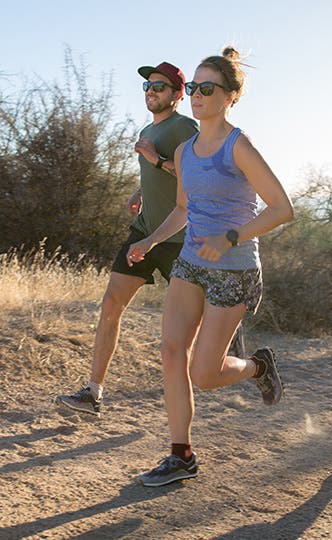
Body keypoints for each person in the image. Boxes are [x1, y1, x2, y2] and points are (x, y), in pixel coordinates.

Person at [126, 46, 294, 487]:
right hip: (190, 265)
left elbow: (282, 208)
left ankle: (258, 366)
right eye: (195, 89)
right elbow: (183, 207)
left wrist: (232, 236)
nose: (197, 96)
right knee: (169, 352)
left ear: (230, 97)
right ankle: (181, 455)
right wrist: (150, 239)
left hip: (234, 270)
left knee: (204, 373)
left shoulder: (240, 147)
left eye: (207, 88)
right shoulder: (184, 152)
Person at [56, 61, 198, 417]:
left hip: (179, 237)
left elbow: (194, 177)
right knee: (110, 306)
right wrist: (140, 189)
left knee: (187, 331)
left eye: (160, 87)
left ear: (178, 94)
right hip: (143, 231)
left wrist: (154, 160)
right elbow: (160, 175)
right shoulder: (148, 127)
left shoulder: (186, 127)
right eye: (148, 86)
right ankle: (93, 393)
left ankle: (232, 349)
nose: (151, 91)